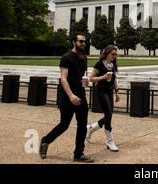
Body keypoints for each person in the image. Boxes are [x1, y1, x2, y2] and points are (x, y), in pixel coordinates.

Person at [39, 32, 94, 163]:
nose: (83, 44)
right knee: (64, 125)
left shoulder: (84, 58)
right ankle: (45, 140)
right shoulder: (66, 58)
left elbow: (80, 76)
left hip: (80, 96)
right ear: (73, 42)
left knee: (82, 125)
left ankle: (78, 154)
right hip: (67, 97)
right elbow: (63, 79)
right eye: (81, 41)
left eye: (84, 42)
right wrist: (71, 95)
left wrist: (84, 82)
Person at [85, 45, 120, 152]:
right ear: (107, 53)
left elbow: (114, 79)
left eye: (116, 54)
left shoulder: (113, 64)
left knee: (109, 114)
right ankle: (110, 141)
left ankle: (91, 128)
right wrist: (103, 77)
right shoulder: (99, 64)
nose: (114, 56)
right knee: (108, 114)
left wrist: (117, 92)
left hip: (109, 91)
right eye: (112, 54)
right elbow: (91, 78)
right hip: (101, 91)